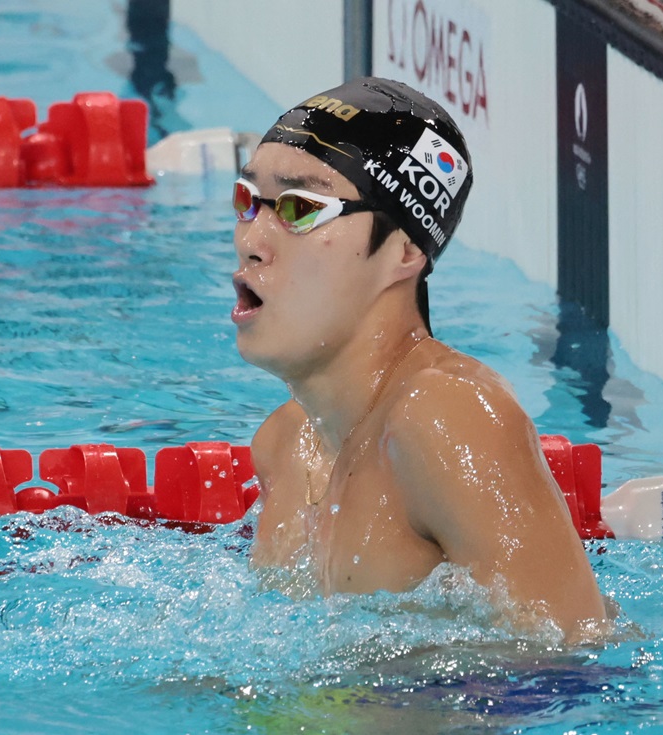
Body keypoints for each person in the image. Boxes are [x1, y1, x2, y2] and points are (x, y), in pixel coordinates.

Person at [233, 77, 609, 643]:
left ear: (405, 250)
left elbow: (575, 671)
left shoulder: (446, 418)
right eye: (248, 200)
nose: (251, 240)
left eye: (298, 208)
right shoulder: (286, 446)